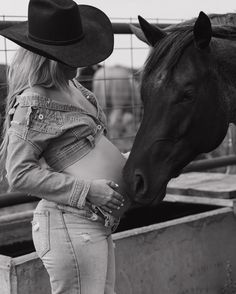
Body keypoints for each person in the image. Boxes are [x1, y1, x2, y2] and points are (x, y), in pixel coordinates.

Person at [0, 0, 130, 293]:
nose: (81, 60)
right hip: (71, 225)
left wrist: (125, 161)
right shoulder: (34, 102)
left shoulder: (76, 89)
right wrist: (88, 190)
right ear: (48, 57)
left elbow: (85, 151)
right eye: (72, 54)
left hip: (93, 224)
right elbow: (19, 174)